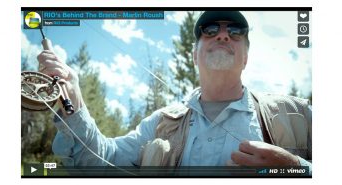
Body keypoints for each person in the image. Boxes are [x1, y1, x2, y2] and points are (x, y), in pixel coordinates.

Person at [37, 11, 312, 174]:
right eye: (210, 30)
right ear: (194, 55)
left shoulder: (297, 114)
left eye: (236, 31)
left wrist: (297, 167)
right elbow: (99, 160)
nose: (223, 35)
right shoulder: (159, 124)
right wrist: (73, 98)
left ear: (246, 59)